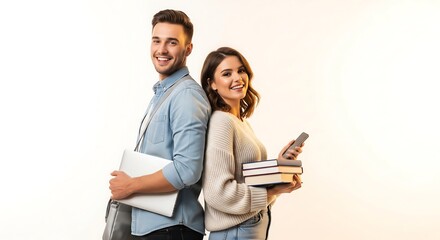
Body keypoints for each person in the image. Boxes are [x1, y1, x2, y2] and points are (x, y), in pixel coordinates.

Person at [108, 9, 211, 239]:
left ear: (188, 49)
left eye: (172, 42)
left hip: (171, 230)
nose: (161, 50)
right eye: (157, 40)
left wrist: (132, 185)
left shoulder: (186, 96)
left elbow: (187, 169)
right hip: (155, 228)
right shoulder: (164, 94)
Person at [200, 47, 304, 240]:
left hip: (247, 226)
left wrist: (278, 168)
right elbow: (218, 192)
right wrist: (272, 191)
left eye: (241, 70)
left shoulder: (240, 122)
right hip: (236, 230)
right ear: (212, 83)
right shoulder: (221, 122)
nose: (238, 78)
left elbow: (245, 178)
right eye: (226, 73)